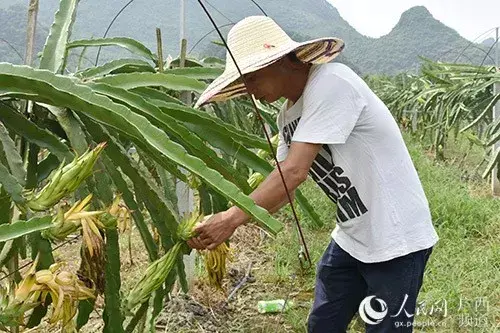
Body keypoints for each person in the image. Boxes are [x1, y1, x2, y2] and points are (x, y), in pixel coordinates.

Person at [188, 15, 439, 333]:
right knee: (323, 323)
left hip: (396, 238)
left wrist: (231, 218)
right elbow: (283, 187)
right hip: (353, 235)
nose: (249, 90)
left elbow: (294, 173)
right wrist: (229, 224)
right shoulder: (287, 116)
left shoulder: (331, 81)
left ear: (280, 60)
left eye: (250, 77)